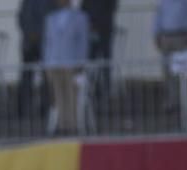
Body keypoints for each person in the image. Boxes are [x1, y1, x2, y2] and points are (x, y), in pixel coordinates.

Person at [43, 0, 89, 135]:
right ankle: (63, 125)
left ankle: (72, 126)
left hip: (71, 63)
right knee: (58, 96)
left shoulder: (80, 18)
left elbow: (83, 43)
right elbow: (47, 43)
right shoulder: (50, 19)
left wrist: (81, 63)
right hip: (54, 63)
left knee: (71, 95)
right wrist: (46, 64)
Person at [152, 0, 187, 109]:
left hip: (183, 37)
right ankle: (172, 100)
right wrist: (155, 34)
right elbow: (158, 15)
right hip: (166, 36)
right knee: (168, 71)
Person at [17, 0, 54, 118]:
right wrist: (30, 34)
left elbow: (51, 18)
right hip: (29, 43)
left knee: (46, 77)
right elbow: (22, 18)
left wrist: (40, 34)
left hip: (45, 44)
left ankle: (45, 107)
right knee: (26, 76)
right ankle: (23, 109)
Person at [82, 0, 117, 98]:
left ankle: (105, 87)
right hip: (91, 32)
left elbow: (111, 9)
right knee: (90, 61)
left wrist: (97, 24)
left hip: (104, 31)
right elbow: (83, 9)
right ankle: (90, 86)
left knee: (105, 61)